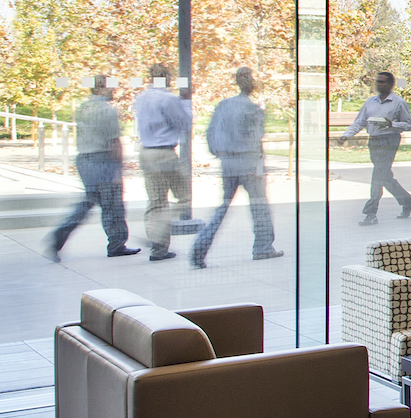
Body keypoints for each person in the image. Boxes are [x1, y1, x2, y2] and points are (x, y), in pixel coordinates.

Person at [191, 67, 281, 269]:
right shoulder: (253, 109)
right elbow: (256, 137)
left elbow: (211, 132)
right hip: (249, 163)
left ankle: (199, 249)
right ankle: (263, 247)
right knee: (259, 207)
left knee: (221, 209)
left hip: (229, 163)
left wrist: (220, 153)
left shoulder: (224, 105)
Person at [45, 76, 141, 262]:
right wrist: (119, 167)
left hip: (84, 159)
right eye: (111, 88)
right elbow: (114, 142)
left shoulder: (83, 108)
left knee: (89, 200)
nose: (114, 91)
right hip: (103, 159)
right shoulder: (107, 110)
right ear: (102, 89)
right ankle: (116, 244)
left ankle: (62, 233)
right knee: (113, 206)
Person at [133, 63, 193, 262]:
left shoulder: (141, 98)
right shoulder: (168, 99)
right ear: (166, 77)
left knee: (155, 201)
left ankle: (158, 247)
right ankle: (160, 231)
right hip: (165, 154)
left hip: (146, 153)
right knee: (184, 197)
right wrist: (185, 102)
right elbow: (184, 123)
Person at [344, 71, 411, 226]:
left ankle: (370, 213)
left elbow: (408, 125)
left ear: (390, 85)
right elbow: (359, 122)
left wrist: (392, 124)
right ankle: (407, 201)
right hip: (374, 142)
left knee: (377, 175)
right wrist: (346, 135)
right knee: (384, 176)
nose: (379, 84)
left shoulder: (398, 102)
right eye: (378, 81)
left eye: (382, 82)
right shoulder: (370, 102)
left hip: (389, 141)